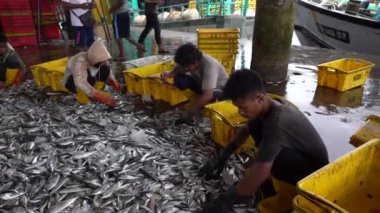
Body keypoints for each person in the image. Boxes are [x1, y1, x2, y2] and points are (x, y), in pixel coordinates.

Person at [200, 70, 329, 213]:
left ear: (259, 99)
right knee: (255, 127)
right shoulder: (269, 105)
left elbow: (260, 171)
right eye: (238, 107)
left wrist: (228, 197)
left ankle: (288, 199)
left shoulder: (277, 122)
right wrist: (224, 155)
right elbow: (245, 130)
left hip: (314, 172)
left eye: (243, 108)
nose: (240, 112)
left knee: (276, 159)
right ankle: (270, 180)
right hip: (298, 157)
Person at [160, 43, 228, 124]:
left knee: (208, 96)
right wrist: (168, 74)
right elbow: (179, 67)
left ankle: (201, 104)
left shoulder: (210, 66)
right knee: (179, 79)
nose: (185, 68)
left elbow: (208, 95)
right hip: (203, 85)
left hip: (220, 90)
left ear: (196, 62)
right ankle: (200, 100)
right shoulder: (191, 60)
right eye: (184, 66)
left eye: (188, 66)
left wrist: (189, 112)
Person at [61, 40, 121, 107]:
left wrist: (113, 81)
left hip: (89, 80)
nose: (103, 63)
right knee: (89, 79)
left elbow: (108, 71)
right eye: (101, 62)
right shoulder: (80, 61)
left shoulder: (100, 59)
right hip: (71, 83)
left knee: (105, 68)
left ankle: (93, 90)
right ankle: (83, 95)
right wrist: (102, 98)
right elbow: (80, 82)